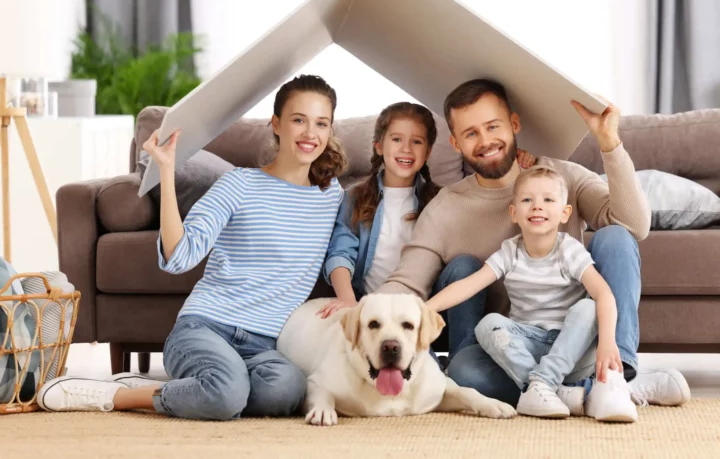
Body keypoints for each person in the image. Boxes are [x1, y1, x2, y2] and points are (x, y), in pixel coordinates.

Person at [37, 75, 348, 420]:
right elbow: (179, 256)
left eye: (321, 123)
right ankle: (119, 394)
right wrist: (166, 172)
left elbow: (346, 248)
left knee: (286, 392)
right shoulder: (239, 184)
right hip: (206, 326)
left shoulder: (331, 196)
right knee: (226, 395)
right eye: (299, 120)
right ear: (276, 124)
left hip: (265, 345)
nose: (310, 133)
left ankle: (208, 386)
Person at [378, 78, 691, 410]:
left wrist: (609, 142)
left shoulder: (560, 178)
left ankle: (617, 375)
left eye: (493, 126)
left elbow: (635, 226)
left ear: (514, 124)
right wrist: (358, 313)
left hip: (575, 336)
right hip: (507, 348)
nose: (486, 141)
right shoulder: (446, 207)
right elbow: (408, 281)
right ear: (456, 143)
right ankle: (587, 393)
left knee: (616, 236)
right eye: (471, 134)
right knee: (462, 367)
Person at [426, 166, 637, 421]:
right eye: (527, 200)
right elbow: (469, 285)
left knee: (588, 309)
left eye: (548, 200)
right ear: (514, 213)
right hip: (524, 348)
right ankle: (563, 391)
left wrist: (607, 343)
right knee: (471, 353)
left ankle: (544, 385)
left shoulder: (568, 249)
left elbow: (604, 294)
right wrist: (424, 309)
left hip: (571, 348)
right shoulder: (509, 251)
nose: (537, 206)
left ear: (564, 213)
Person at [318, 102, 536, 319]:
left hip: (431, 309)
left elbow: (482, 215)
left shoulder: (441, 200)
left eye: (417, 142)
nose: (406, 149)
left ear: (428, 151)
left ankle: (464, 350)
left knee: (465, 265)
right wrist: (347, 300)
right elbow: (341, 253)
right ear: (379, 146)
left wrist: (522, 167)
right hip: (373, 304)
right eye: (396, 139)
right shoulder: (355, 197)